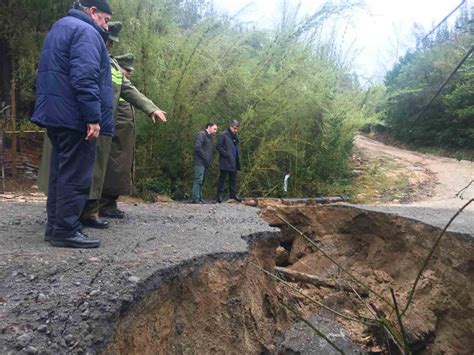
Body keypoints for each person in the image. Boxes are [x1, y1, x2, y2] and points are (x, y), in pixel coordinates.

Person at [31, 0, 114, 248]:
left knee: (59, 173)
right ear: (92, 12)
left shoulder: (60, 27)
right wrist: (93, 117)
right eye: (105, 20)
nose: (106, 27)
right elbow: (84, 76)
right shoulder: (86, 32)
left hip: (56, 114)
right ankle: (66, 230)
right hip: (75, 117)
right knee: (75, 175)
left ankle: (55, 226)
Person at [80, 24, 167, 226]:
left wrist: (151, 108)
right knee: (91, 169)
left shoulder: (111, 65)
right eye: (108, 40)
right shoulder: (89, 56)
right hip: (91, 123)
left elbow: (128, 89)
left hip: (104, 125)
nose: (109, 45)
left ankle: (91, 212)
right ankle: (78, 215)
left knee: (104, 169)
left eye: (111, 42)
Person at [99, 53, 167, 218]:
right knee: (109, 170)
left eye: (130, 71)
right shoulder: (108, 75)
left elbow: (131, 92)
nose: (128, 73)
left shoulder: (120, 83)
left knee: (118, 172)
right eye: (126, 70)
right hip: (111, 138)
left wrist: (151, 108)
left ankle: (108, 203)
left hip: (122, 142)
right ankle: (100, 206)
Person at [191, 122, 218, 203]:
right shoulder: (201, 134)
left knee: (202, 180)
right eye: (214, 129)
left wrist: (208, 160)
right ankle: (195, 198)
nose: (215, 131)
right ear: (209, 127)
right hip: (199, 162)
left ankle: (200, 197)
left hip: (205, 162)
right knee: (198, 179)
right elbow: (197, 147)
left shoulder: (209, 137)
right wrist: (205, 158)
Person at [216, 120, 241, 203]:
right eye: (234, 128)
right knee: (222, 179)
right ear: (230, 126)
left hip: (234, 161)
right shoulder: (223, 134)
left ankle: (233, 195)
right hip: (225, 161)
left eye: (237, 129)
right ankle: (219, 196)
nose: (235, 130)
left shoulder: (235, 136)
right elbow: (218, 146)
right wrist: (226, 154)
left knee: (233, 179)